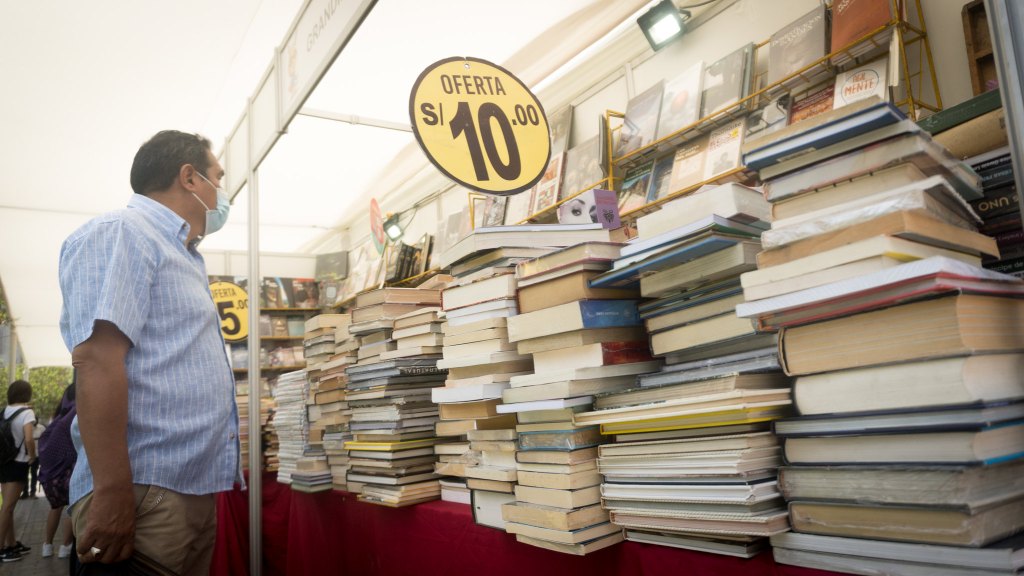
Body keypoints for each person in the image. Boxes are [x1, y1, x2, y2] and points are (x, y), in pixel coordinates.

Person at [58, 130, 242, 575]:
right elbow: (97, 360)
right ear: (189, 177)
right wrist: (112, 492)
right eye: (218, 177)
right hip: (145, 492)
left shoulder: (181, 253)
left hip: (181, 490)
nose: (222, 191)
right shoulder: (124, 232)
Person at [39, 382, 77, 560]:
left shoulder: (58, 418)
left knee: (55, 508)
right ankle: (65, 546)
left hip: (52, 475)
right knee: (72, 507)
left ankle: (47, 545)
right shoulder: (75, 414)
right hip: (68, 469)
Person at [0, 379, 36, 563]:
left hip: (4, 462)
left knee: (8, 507)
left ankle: (11, 544)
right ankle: (1, 549)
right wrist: (32, 456)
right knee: (7, 508)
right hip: (18, 463)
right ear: (26, 394)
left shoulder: (4, 411)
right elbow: (29, 439)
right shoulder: (27, 412)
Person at [23, 419, 45, 499]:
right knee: (24, 474)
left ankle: (33, 492)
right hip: (26, 454)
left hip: (37, 454)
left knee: (34, 473)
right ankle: (25, 492)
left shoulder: (41, 428)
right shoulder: (24, 428)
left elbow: (45, 440)